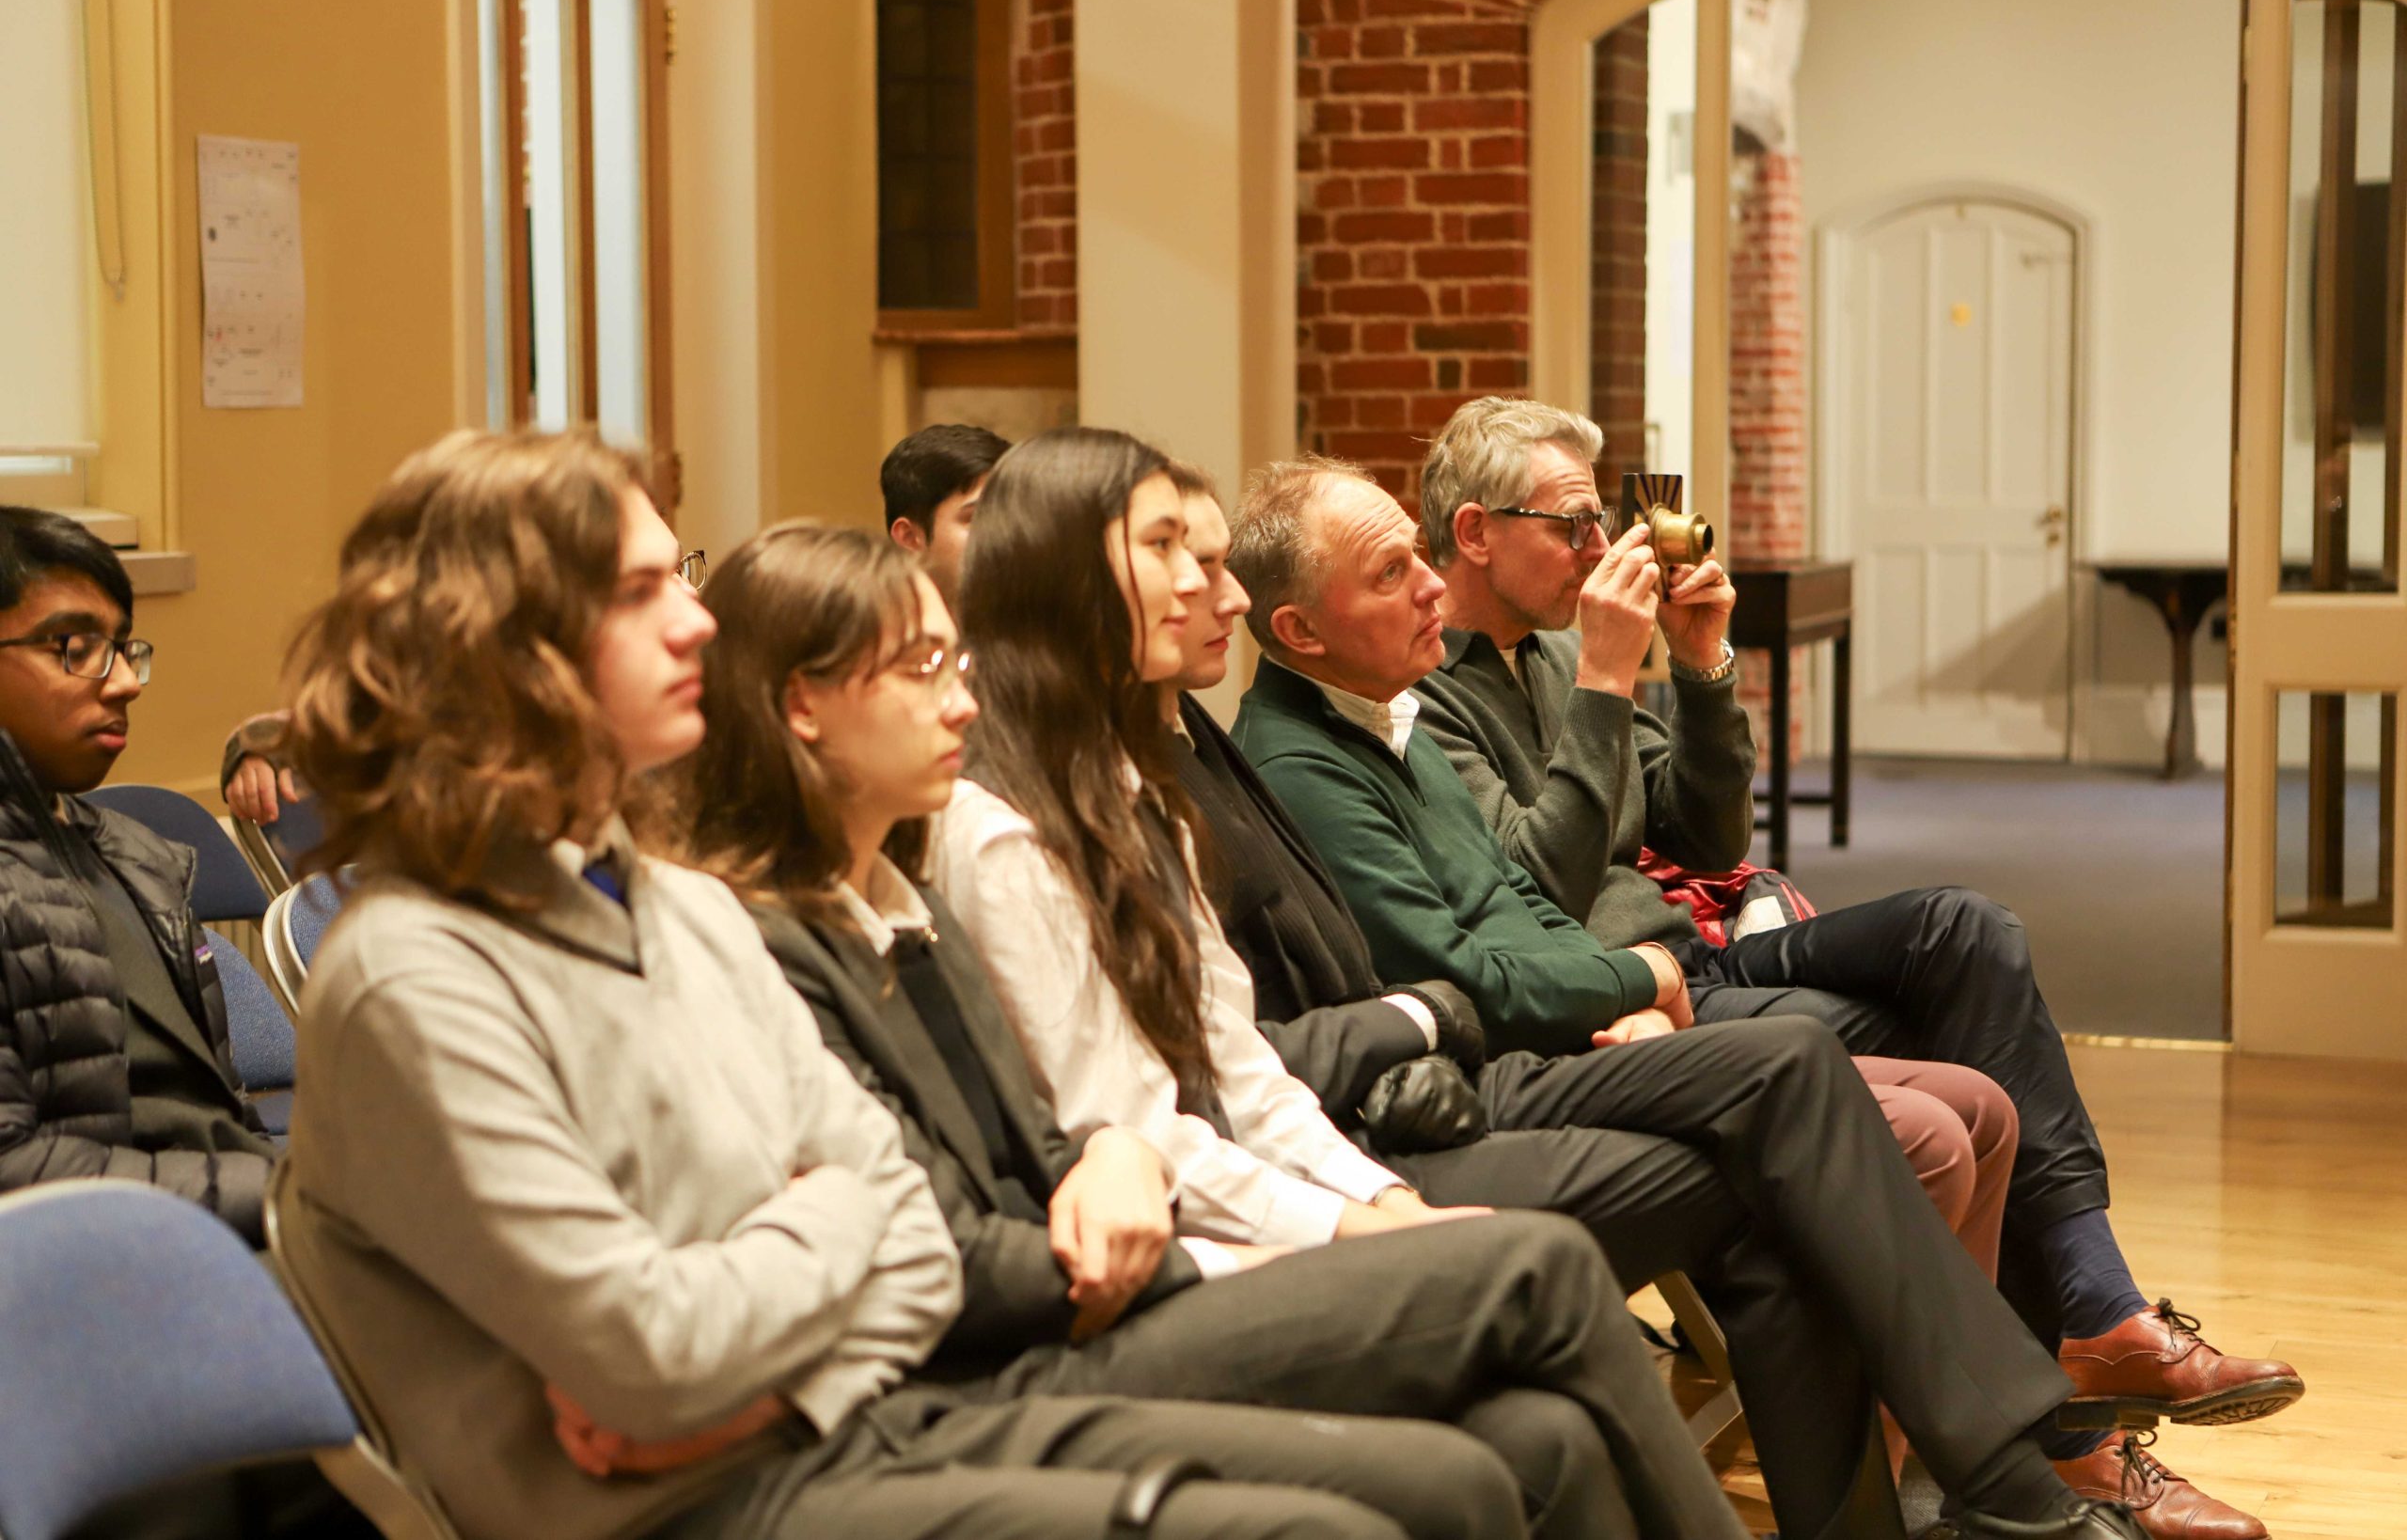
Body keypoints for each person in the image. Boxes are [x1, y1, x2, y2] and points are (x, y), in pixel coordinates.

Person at [273, 427, 1544, 1540]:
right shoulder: (410, 974)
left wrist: (790, 1319)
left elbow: (903, 1226)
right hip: (696, 1504)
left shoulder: (669, 899)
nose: (698, 619)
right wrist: (831, 1226)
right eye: (641, 589)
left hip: (829, 1421)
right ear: (504, 646)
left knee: (1463, 1478)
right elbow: (656, 1351)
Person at [936, 427, 2142, 1540]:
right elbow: (1176, 1111)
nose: (1225, 593)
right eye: (1169, 551)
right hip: (1389, 1111)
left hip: (1433, 1077)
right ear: (1064, 575)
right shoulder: (1068, 808)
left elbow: (1653, 856)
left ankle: (1994, 1472)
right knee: (1798, 1085)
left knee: (1911, 990)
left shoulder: (1151, 767)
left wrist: (1693, 685)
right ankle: (2019, 1473)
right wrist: (1376, 1195)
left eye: (1212, 555)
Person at [669, 517, 1754, 1540]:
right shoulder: (904, 880)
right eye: (1169, 551)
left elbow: (1088, 1127)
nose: (1217, 592)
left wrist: (1119, 1159)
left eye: (957, 666)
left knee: (1534, 1437)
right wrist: (1198, 1208)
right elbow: (938, 1238)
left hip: (1134, 1241)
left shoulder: (920, 889)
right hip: (1033, 1330)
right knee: (1547, 1269)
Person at [1408, 397, 2295, 1537]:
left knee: (1963, 933)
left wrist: (1701, 667)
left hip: (1700, 957)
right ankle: (2074, 1423)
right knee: (1970, 1076)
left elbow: (1705, 838)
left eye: (1601, 521)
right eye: (1571, 524)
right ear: (1475, 532)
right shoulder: (1432, 697)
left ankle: (2095, 1320)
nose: (1599, 549)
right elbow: (1536, 886)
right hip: (1618, 999)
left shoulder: (1565, 650)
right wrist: (1605, 684)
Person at [0, 507, 281, 1241]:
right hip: (101, 1286)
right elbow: (14, 1166)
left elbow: (213, 1116)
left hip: (228, 1239)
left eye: (123, 648)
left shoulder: (138, 857)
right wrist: (288, 1196)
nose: (124, 681)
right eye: (75, 648)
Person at [882, 422, 1009, 612]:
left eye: (1011, 514)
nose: (1005, 535)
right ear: (908, 537)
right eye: (977, 518)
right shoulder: (872, 635)